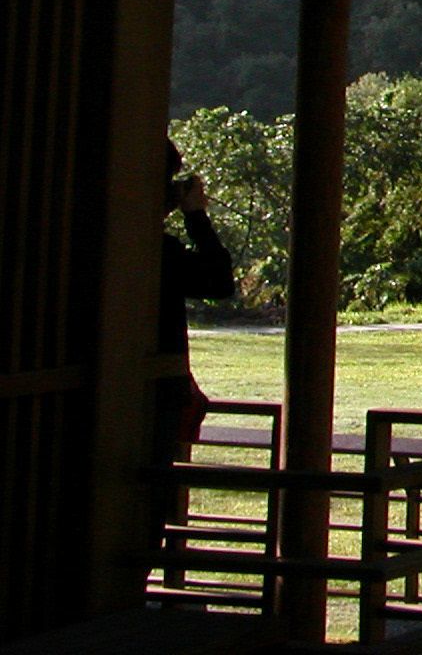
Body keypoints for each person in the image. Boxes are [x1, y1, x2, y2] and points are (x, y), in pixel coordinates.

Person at [155, 141, 234, 576]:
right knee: (149, 493)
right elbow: (219, 281)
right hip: (155, 394)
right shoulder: (159, 252)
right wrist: (196, 216)